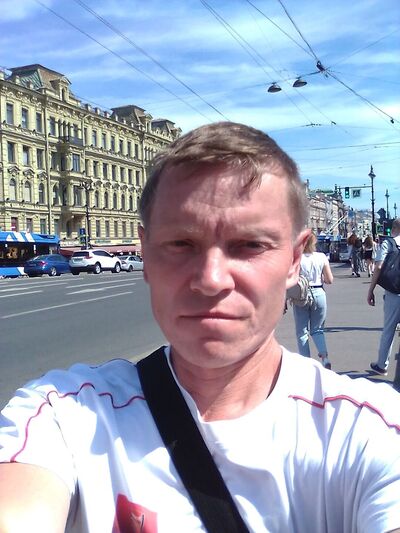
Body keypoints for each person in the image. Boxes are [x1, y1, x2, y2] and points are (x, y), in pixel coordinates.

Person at [1, 122, 400, 533]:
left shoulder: (368, 430)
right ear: (146, 253)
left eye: (250, 245)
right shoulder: (64, 415)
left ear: (294, 261)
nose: (211, 280)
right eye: (181, 244)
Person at [292, 232, 334, 369]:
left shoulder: (296, 258)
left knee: (302, 332)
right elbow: (329, 280)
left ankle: (306, 364)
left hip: (301, 295)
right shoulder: (321, 257)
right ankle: (325, 357)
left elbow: (291, 280)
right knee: (317, 330)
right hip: (319, 293)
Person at [367, 218, 400, 376]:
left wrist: (371, 289)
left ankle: (382, 365)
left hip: (394, 293)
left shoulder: (388, 243)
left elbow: (378, 266)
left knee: (389, 330)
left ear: (393, 229)